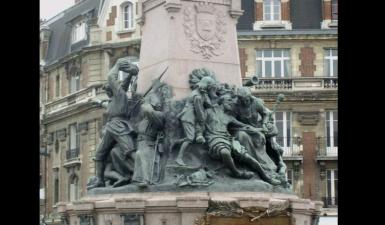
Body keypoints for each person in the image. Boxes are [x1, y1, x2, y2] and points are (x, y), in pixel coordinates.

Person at [204, 93, 281, 184]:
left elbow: (246, 126)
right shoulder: (209, 112)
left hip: (229, 139)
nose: (232, 104)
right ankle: (236, 172)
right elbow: (199, 122)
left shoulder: (229, 117)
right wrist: (198, 134)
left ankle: (266, 177)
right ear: (222, 102)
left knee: (249, 158)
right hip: (215, 139)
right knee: (225, 153)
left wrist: (260, 129)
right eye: (229, 101)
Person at [87, 58, 138, 190]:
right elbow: (108, 106)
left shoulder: (120, 95)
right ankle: (99, 180)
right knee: (99, 154)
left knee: (129, 151)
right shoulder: (113, 101)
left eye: (108, 89)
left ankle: (141, 173)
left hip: (120, 126)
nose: (107, 91)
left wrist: (117, 65)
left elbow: (111, 77)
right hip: (111, 127)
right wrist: (98, 102)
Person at [174, 76, 216, 166]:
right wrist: (202, 121)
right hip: (188, 117)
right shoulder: (197, 96)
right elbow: (199, 111)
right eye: (210, 87)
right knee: (190, 138)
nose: (211, 89)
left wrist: (206, 95)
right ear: (207, 86)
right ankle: (179, 158)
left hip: (190, 116)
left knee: (190, 137)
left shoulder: (200, 93)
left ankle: (174, 142)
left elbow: (208, 104)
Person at [132, 92, 166, 188]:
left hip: (149, 143)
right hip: (140, 142)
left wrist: (146, 102)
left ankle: (147, 180)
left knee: (144, 157)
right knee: (139, 157)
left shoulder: (159, 115)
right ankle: (140, 179)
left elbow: (148, 111)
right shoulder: (144, 119)